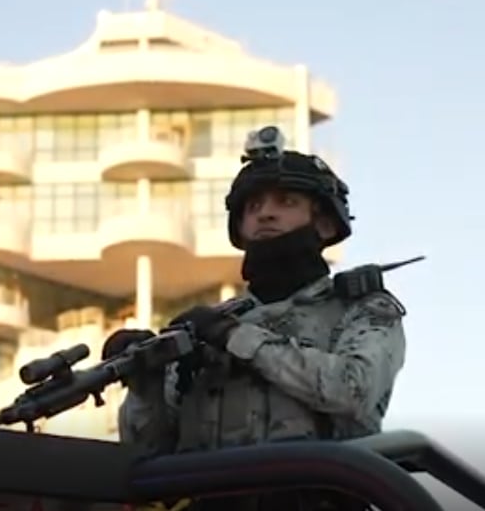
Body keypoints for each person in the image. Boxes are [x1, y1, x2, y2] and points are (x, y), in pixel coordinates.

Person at [103, 126, 409, 510]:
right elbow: (149, 451)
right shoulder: (204, 328)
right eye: (253, 206)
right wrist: (144, 387)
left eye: (286, 201)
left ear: (325, 223)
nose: (266, 213)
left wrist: (237, 338)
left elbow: (353, 390)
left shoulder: (362, 309)